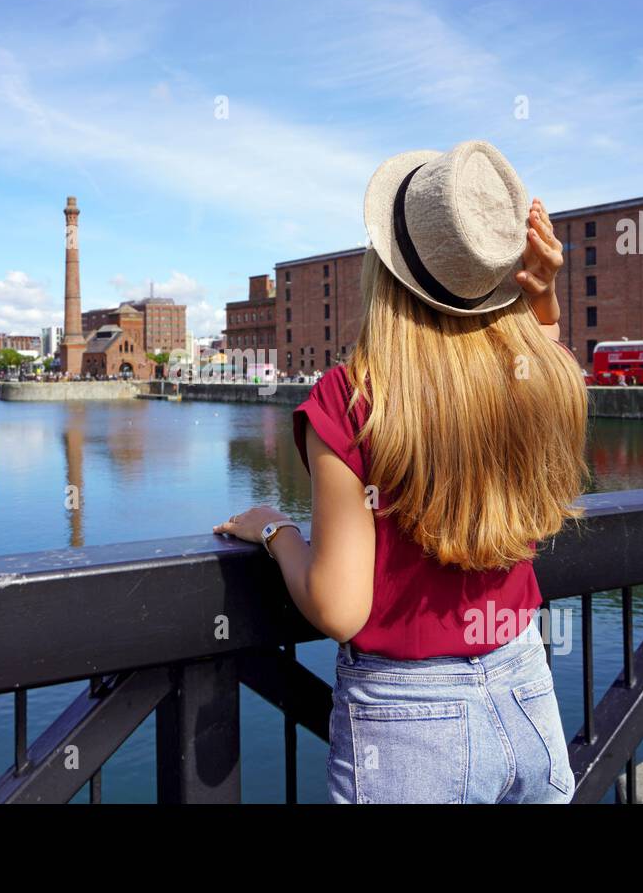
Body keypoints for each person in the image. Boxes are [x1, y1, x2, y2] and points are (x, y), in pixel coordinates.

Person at [215, 140, 587, 804]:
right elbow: (541, 358)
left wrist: (275, 531)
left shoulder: (350, 398)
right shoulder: (543, 380)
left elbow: (339, 605)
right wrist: (542, 297)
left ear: (384, 269)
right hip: (527, 686)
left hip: (409, 719)